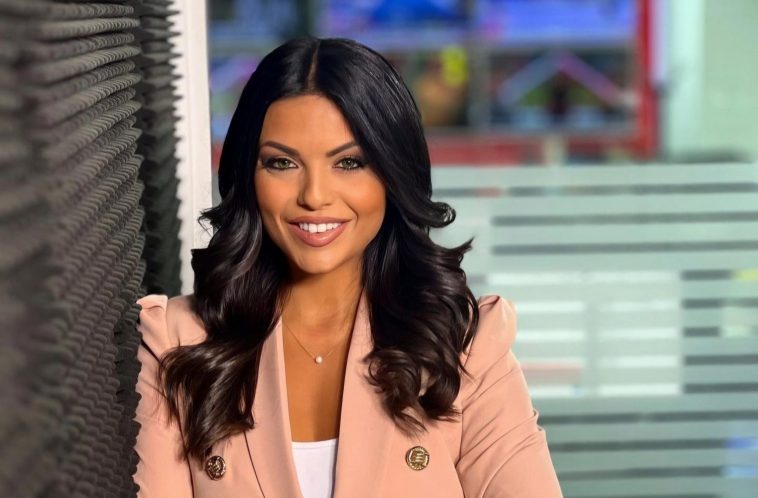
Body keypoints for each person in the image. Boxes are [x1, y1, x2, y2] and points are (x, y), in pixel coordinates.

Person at [133, 37, 563, 498]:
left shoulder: (464, 346)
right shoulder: (177, 343)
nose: (314, 196)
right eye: (282, 163)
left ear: (393, 175)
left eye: (349, 162)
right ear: (247, 174)